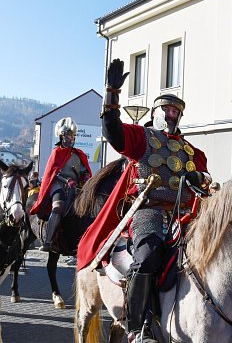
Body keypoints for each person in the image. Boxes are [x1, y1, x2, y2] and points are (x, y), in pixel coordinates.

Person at [99, 59, 212, 343]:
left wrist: (200, 177)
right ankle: (139, 328)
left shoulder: (189, 149)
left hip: (186, 215)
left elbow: (206, 176)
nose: (172, 114)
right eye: (167, 109)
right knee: (148, 257)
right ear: (157, 112)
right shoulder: (142, 137)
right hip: (149, 211)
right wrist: (112, 93)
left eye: (176, 111)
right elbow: (113, 131)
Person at [30, 117, 92, 253]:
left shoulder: (78, 154)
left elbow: (83, 171)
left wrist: (86, 176)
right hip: (57, 185)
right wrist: (66, 181)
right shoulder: (56, 152)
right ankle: (48, 241)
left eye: (74, 136)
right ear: (62, 136)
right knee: (58, 207)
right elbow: (53, 173)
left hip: (75, 188)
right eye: (70, 135)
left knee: (87, 210)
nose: (72, 138)